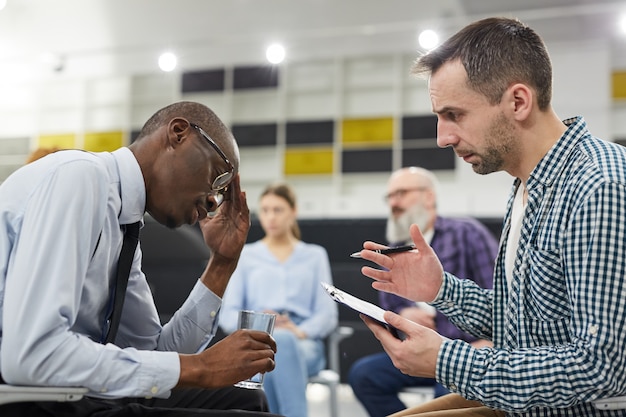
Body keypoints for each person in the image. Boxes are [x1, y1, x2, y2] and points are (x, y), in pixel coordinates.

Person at [356, 17, 626, 417]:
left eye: (455, 115)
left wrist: (448, 360)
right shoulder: (527, 184)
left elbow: (603, 367)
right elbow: (522, 324)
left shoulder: (597, 186)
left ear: (518, 102)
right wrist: (441, 289)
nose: (442, 137)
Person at [0, 101, 282, 417]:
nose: (215, 199)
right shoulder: (81, 177)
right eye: (217, 175)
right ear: (178, 133)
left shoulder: (125, 223)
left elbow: (154, 354)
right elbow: (33, 356)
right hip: (24, 396)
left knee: (246, 401)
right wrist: (200, 367)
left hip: (66, 391)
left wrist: (221, 264)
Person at [348, 166, 497, 417]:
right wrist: (405, 312)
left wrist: (490, 340)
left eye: (401, 193)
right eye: (390, 197)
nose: (393, 203)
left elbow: (497, 290)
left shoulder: (466, 233)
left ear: (429, 196)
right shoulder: (394, 249)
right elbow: (389, 302)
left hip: (466, 349)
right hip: (419, 348)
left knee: (448, 390)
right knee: (363, 375)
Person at [220, 183, 338, 417]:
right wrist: (261, 327)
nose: (270, 217)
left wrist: (298, 331)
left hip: (304, 343)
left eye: (278, 210)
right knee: (271, 352)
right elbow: (227, 315)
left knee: (280, 346)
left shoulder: (315, 255)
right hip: (258, 342)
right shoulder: (247, 255)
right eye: (265, 210)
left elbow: (327, 314)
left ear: (293, 212)